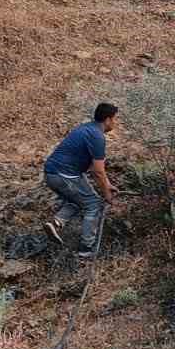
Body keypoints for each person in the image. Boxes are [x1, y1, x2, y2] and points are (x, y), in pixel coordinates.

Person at [43, 102, 118, 259]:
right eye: (115, 119)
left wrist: (107, 185)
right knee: (94, 205)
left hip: (52, 173)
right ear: (108, 119)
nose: (115, 123)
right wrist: (106, 194)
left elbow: (92, 167)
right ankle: (86, 250)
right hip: (63, 175)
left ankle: (56, 223)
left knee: (78, 200)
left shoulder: (86, 128)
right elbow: (98, 170)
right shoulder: (97, 136)